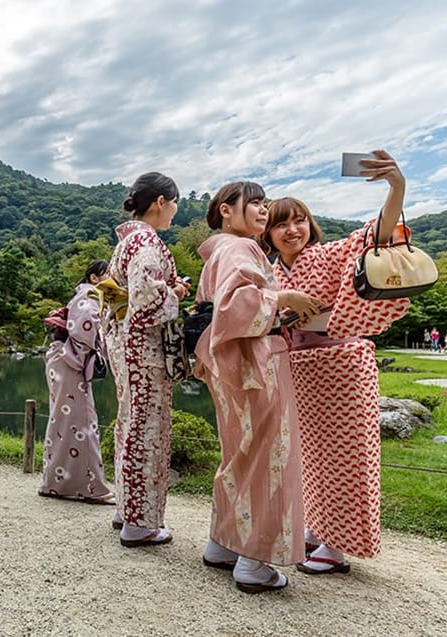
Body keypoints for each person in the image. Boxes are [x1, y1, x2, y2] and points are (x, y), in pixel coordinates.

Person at [259, 150, 411, 577]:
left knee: (346, 455)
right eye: (280, 224)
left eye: (299, 220)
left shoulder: (327, 254)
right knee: (310, 455)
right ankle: (317, 526)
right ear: (267, 234)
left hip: (340, 360)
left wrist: (396, 187)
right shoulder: (271, 273)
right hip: (299, 368)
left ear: (310, 224)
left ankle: (338, 545)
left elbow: (376, 237)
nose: (292, 230)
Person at [193, 180, 319, 594]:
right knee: (269, 458)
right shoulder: (241, 248)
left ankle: (223, 544)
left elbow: (213, 311)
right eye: (255, 203)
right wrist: (284, 297)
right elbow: (233, 307)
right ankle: (255, 562)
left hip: (230, 365)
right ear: (226, 210)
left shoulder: (220, 252)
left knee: (240, 454)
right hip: (256, 364)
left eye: (265, 204)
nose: (263, 211)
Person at [102, 172, 189, 548]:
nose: (173, 212)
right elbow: (147, 298)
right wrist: (178, 290)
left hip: (124, 345)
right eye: (173, 204)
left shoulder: (125, 243)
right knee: (147, 430)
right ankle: (140, 522)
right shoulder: (146, 242)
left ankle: (126, 508)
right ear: (159, 202)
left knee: (129, 424)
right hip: (144, 349)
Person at [38, 259, 114, 504]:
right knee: (83, 422)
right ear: (94, 277)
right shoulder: (89, 296)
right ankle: (92, 488)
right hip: (69, 363)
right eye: (108, 274)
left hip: (63, 361)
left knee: (63, 421)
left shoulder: (86, 296)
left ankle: (55, 483)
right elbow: (85, 330)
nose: (112, 278)